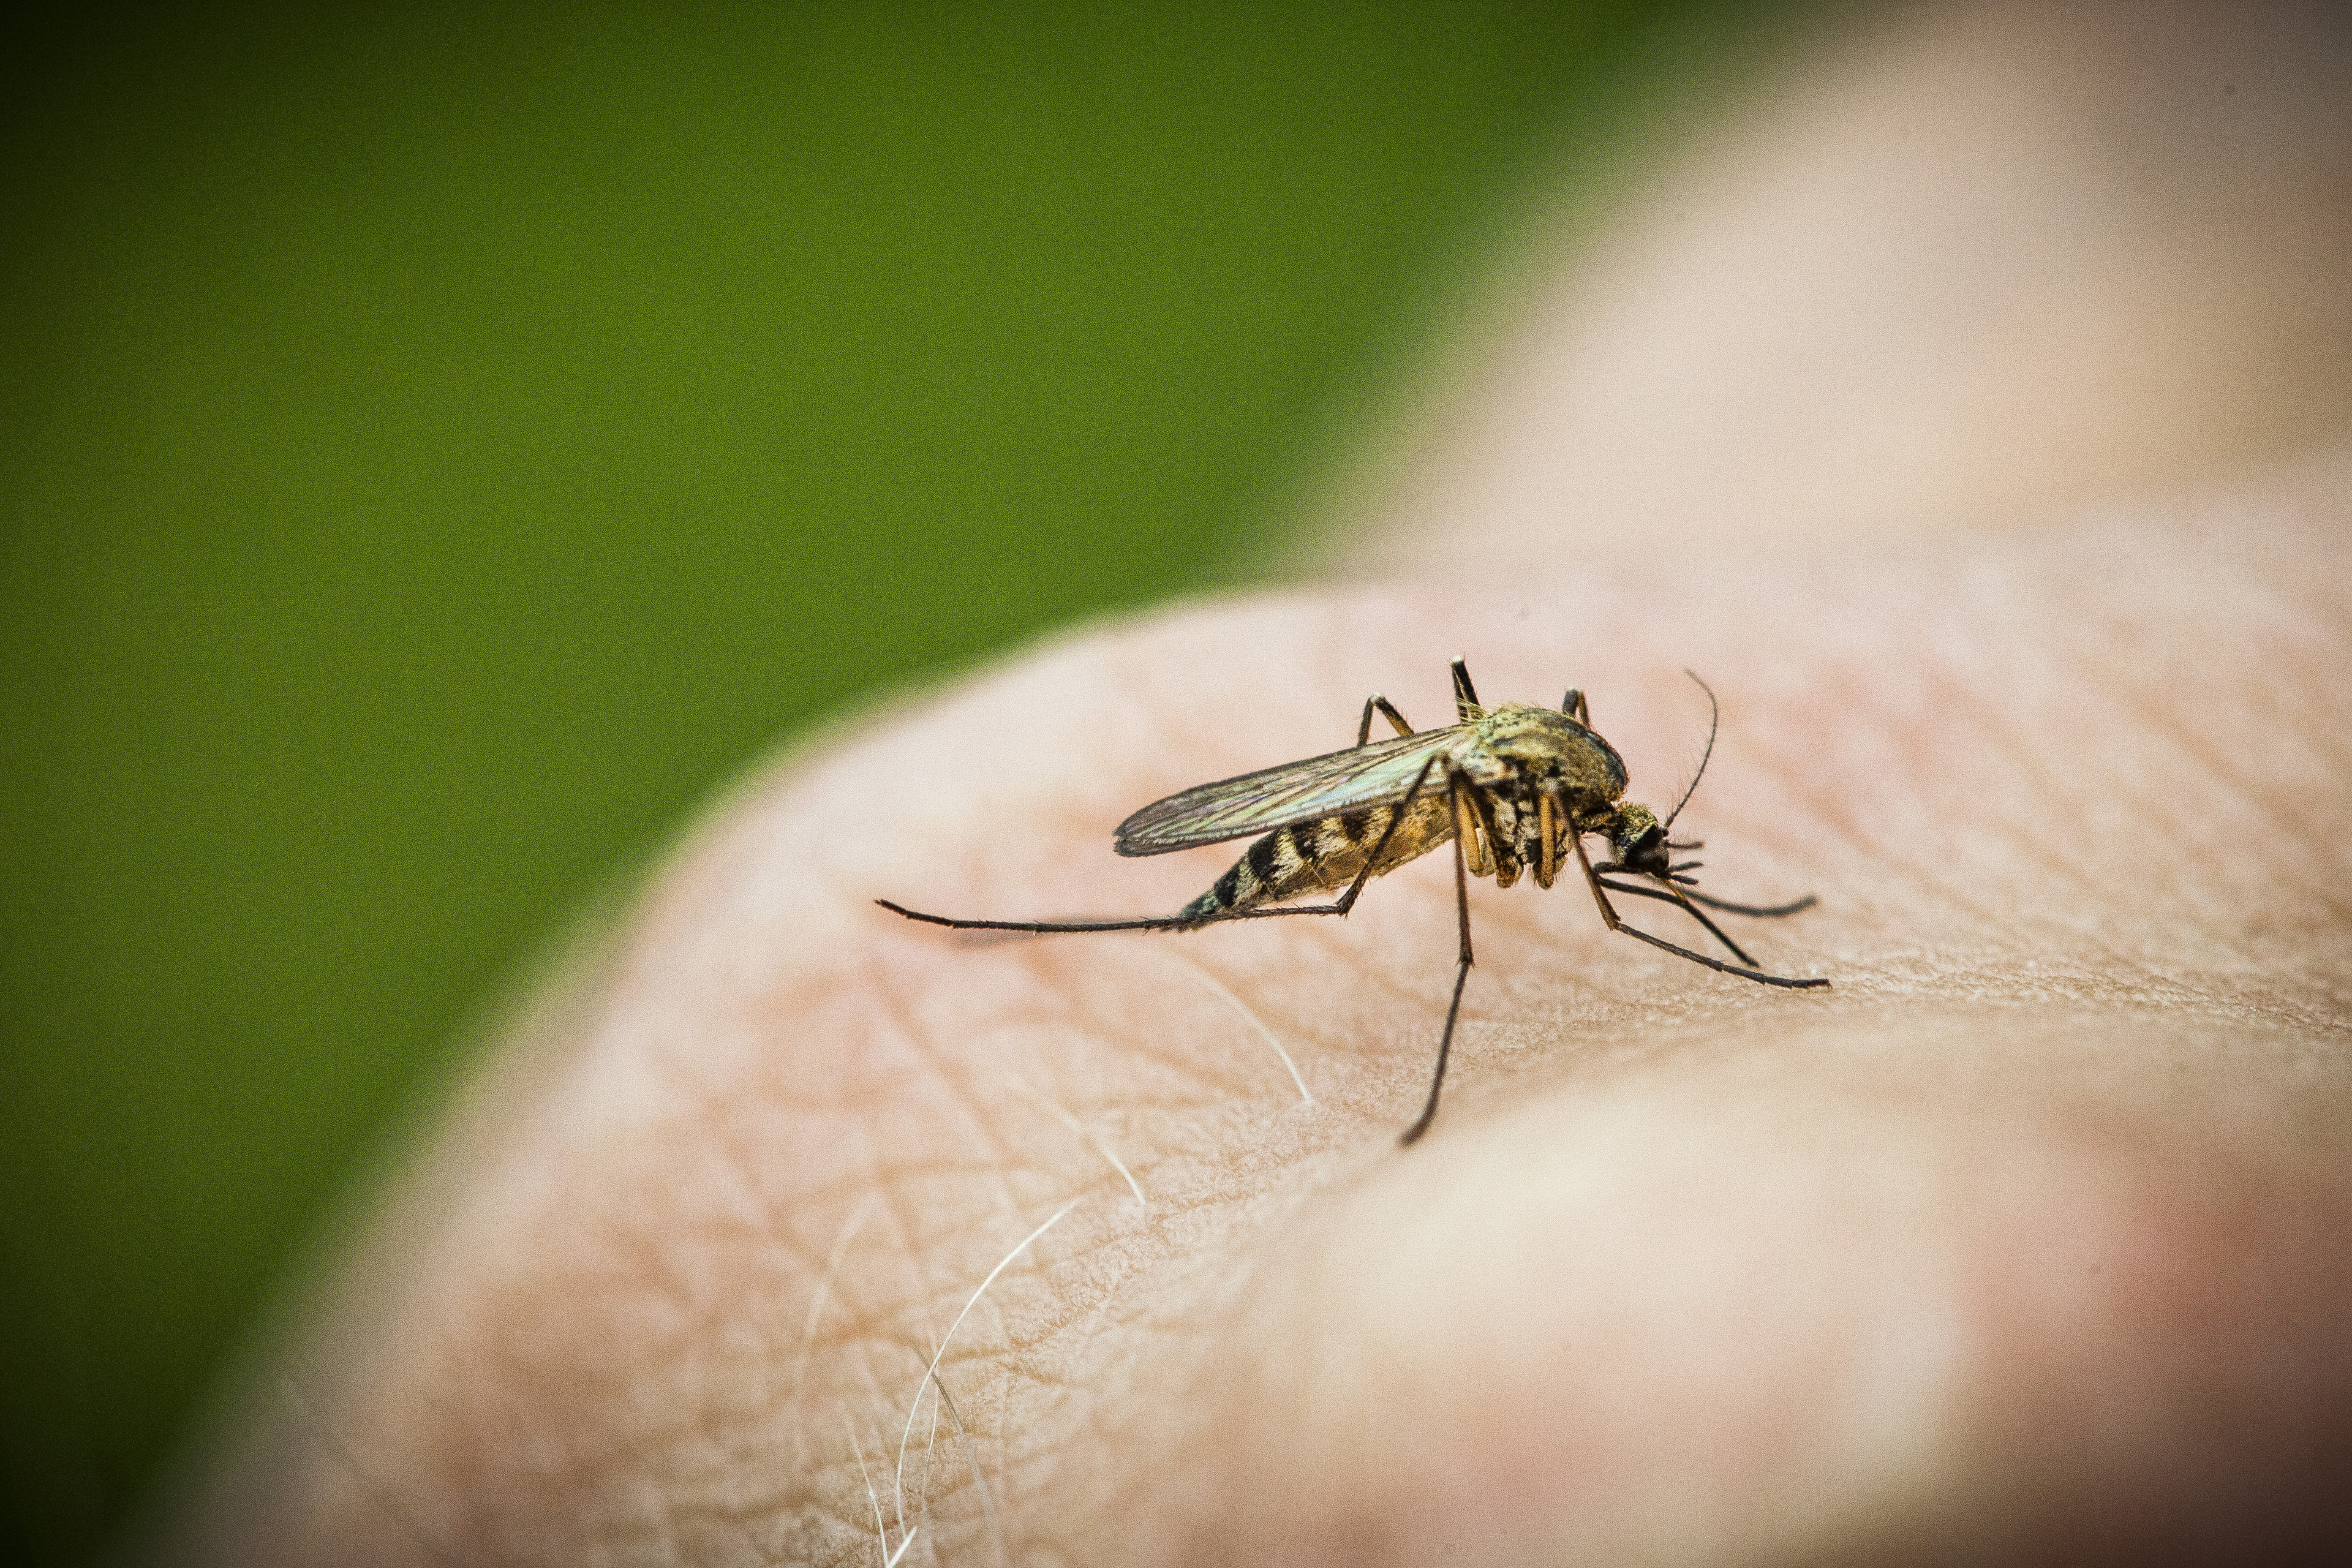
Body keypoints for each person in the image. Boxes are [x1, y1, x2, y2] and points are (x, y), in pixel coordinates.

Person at [168, 2, 2352, 1562]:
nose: (1622, 843)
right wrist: (1450, 868)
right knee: (1348, 879)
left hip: (1441, 763)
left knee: (1464, 829)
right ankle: (1101, 925)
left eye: (1623, 831)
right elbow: (1529, 847)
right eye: (1624, 828)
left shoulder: (1568, 789)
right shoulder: (1523, 803)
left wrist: (1690, 910)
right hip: (1357, 802)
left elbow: (1576, 830)